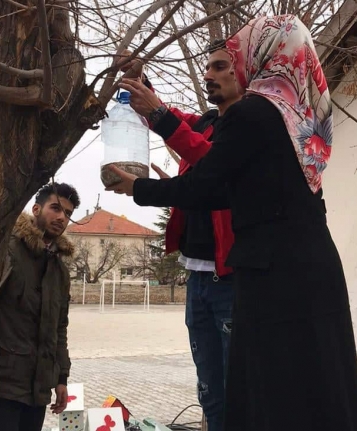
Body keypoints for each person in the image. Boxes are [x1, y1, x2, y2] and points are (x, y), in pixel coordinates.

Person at [109, 15, 357, 431]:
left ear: (265, 53)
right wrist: (150, 100)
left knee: (271, 392)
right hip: (307, 267)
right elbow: (199, 144)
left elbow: (210, 182)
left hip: (274, 273)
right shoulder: (295, 116)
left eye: (231, 59)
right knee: (314, 383)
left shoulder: (255, 113)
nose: (225, 68)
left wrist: (140, 188)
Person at [117, 40, 242, 431]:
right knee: (209, 391)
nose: (208, 75)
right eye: (207, 68)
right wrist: (138, 78)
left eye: (220, 67)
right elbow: (168, 117)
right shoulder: (205, 120)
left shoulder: (250, 130)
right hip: (198, 278)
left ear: (245, 72)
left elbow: (209, 157)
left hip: (231, 281)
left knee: (235, 386)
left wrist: (146, 188)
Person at [0, 183, 80, 431]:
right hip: (0, 381)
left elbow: (59, 328)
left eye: (68, 213)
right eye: (56, 208)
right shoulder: (6, 250)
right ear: (36, 209)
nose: (62, 217)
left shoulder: (59, 270)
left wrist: (61, 378)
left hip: (37, 387)